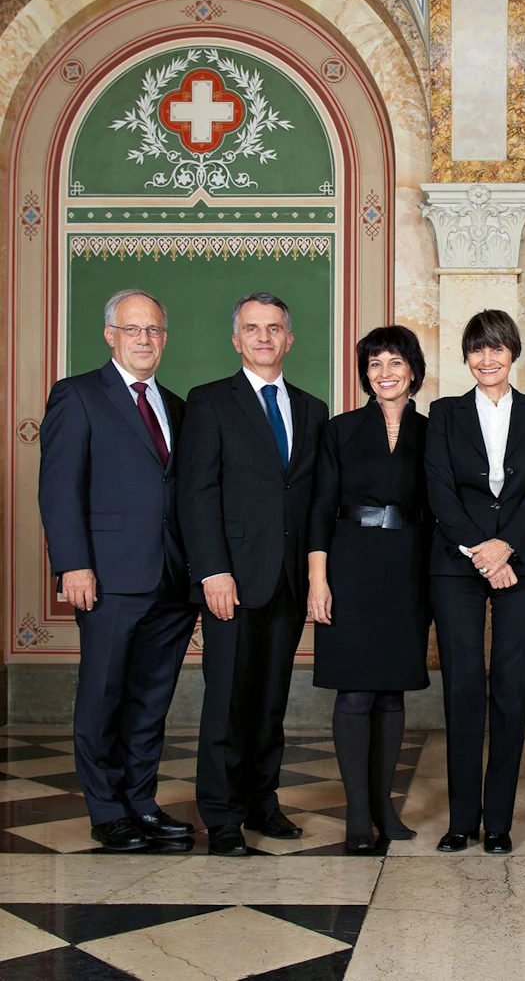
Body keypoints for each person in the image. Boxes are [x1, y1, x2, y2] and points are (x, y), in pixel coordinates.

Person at [37, 289, 197, 851]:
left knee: (151, 700)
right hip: (106, 577)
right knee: (103, 697)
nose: (145, 339)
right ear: (110, 336)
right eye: (134, 330)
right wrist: (73, 565)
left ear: (164, 338)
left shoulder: (177, 406)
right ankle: (106, 811)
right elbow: (59, 490)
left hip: (172, 582)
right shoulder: (77, 396)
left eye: (154, 330)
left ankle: (141, 803)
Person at [178, 292, 328, 857]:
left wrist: (316, 576)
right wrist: (212, 570)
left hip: (287, 581)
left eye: (274, 328)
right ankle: (220, 814)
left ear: (289, 339)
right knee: (226, 700)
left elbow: (313, 500)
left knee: (270, 700)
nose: (264, 337)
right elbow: (197, 494)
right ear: (236, 340)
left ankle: (262, 802)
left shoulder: (313, 410)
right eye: (252, 328)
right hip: (232, 581)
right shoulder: (210, 402)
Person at [425, 309, 525, 855]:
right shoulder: (444, 413)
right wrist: (484, 552)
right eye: (478, 349)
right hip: (458, 561)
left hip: (524, 559)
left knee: (511, 688)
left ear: (513, 353)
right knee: (461, 688)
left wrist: (509, 546)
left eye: (498, 347)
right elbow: (439, 489)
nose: (488, 358)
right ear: (466, 357)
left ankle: (499, 823)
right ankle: (462, 821)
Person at [307, 326, 430, 854]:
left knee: (392, 692)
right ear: (365, 374)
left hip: (409, 566)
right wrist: (318, 578)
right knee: (355, 691)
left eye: (395, 361)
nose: (385, 372)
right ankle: (358, 812)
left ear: (413, 370)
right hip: (350, 563)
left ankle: (385, 808)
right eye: (375, 363)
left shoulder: (435, 431)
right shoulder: (340, 430)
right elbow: (319, 507)